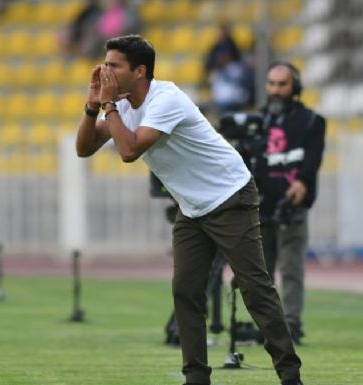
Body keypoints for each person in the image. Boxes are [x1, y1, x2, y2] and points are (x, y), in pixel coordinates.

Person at [75, 35, 303, 385]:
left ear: (139, 71)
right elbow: (85, 148)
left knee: (254, 288)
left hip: (230, 196)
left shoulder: (165, 99)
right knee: (186, 290)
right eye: (105, 63)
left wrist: (107, 107)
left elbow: (129, 151)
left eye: (113, 65)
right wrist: (93, 107)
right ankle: (196, 378)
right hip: (192, 207)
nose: (105, 70)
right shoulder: (119, 105)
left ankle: (290, 375)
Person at [256, 61, 326, 345]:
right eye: (271, 84)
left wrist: (304, 183)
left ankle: (292, 324)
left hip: (292, 206)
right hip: (258, 206)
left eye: (282, 84)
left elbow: (313, 158)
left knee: (292, 268)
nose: (275, 90)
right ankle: (265, 326)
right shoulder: (256, 120)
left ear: (294, 88)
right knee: (260, 272)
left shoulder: (311, 121)